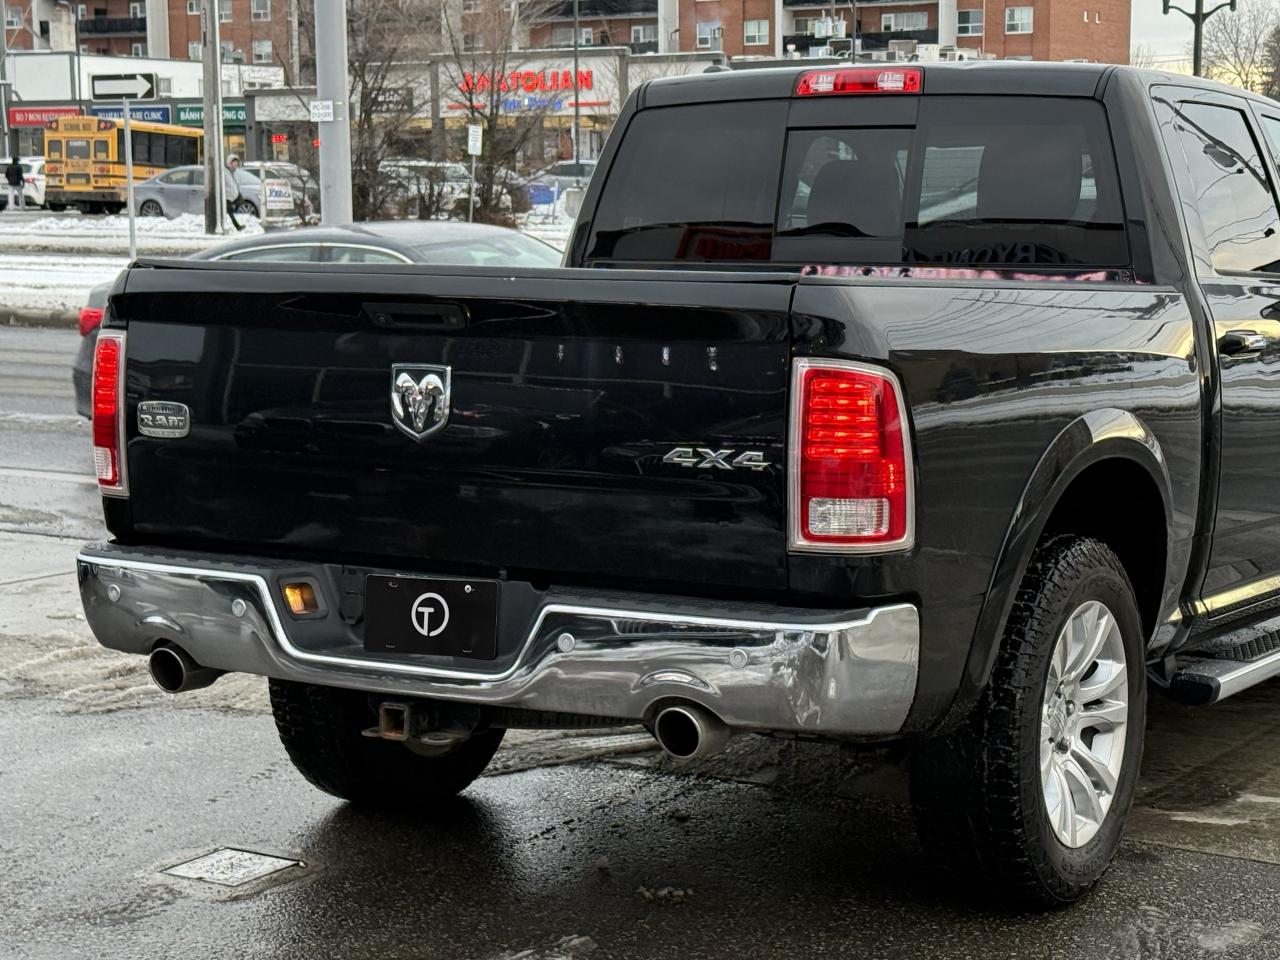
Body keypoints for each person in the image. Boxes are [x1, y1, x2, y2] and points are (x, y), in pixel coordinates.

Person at [223, 154, 244, 231]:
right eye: (234, 163)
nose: (236, 165)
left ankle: (230, 225)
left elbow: (234, 184)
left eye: (236, 163)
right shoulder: (225, 173)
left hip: (232, 196)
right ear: (230, 163)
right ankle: (237, 226)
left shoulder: (232, 172)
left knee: (230, 211)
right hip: (227, 196)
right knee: (230, 212)